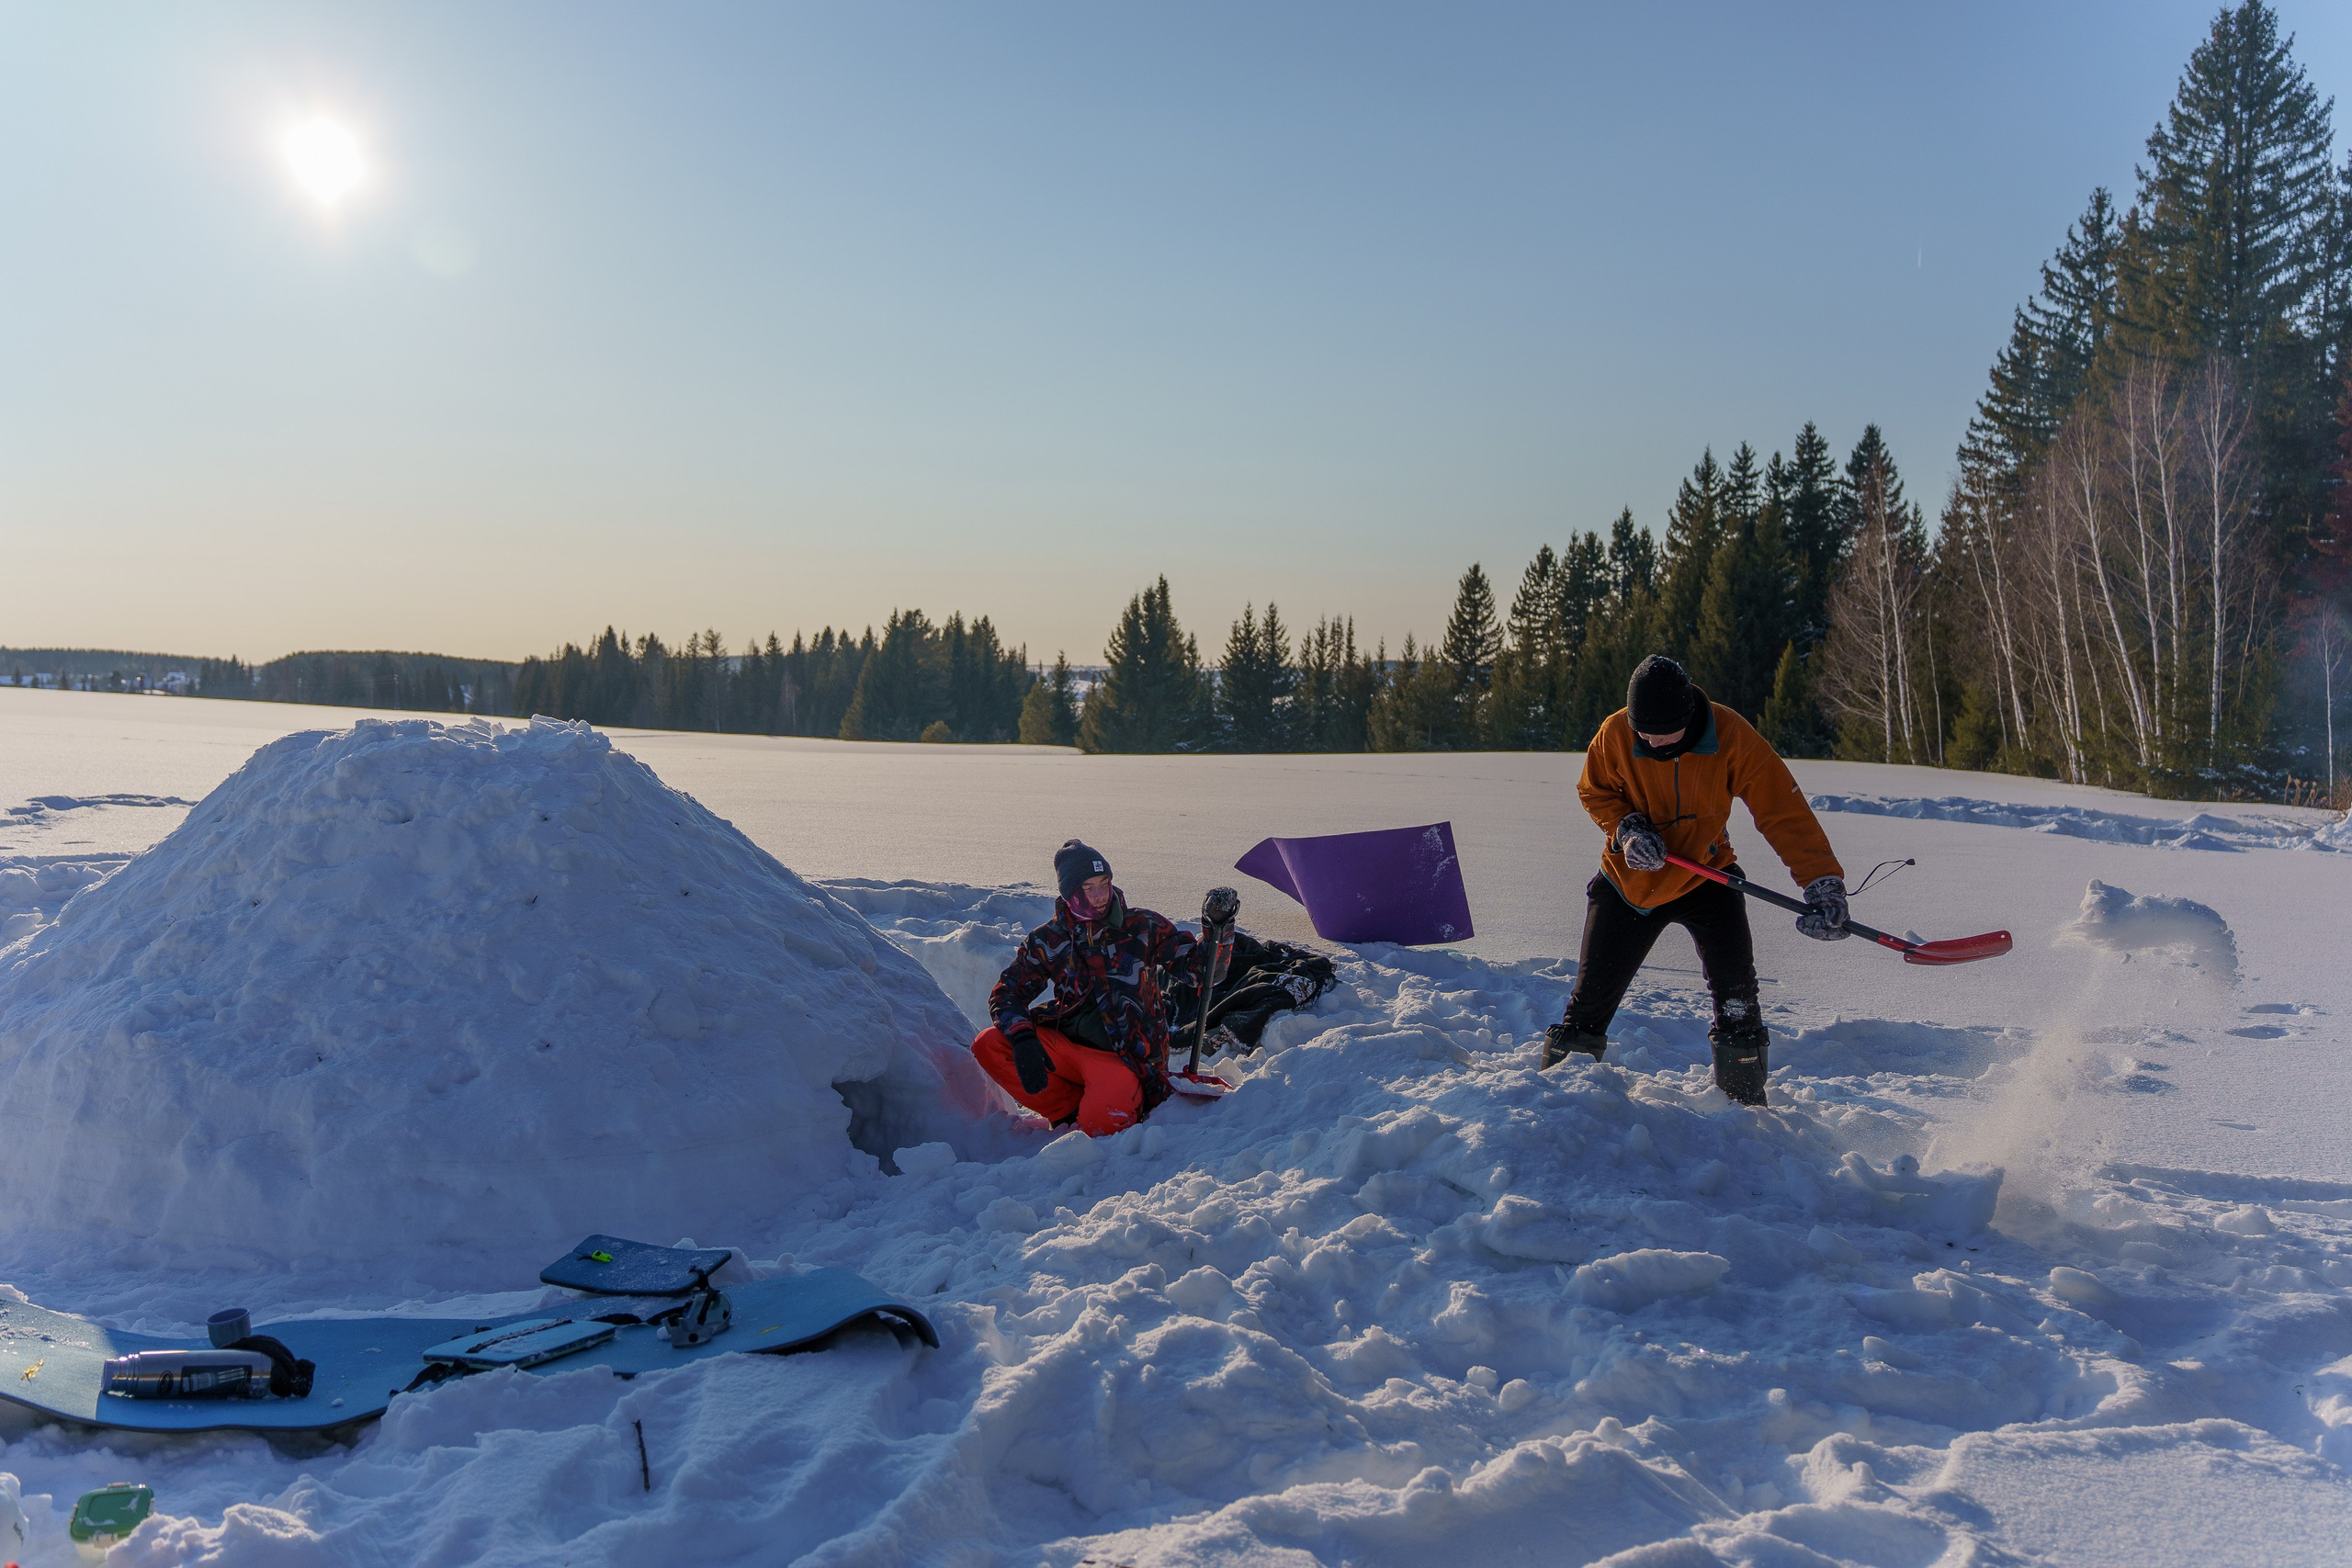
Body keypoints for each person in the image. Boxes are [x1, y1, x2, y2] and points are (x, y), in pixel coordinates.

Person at [1544, 655, 1849, 1106]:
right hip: (1629, 884)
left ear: (1688, 719)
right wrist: (1626, 828)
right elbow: (1595, 790)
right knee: (1588, 1005)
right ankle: (1558, 1106)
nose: (1652, 741)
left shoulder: (1731, 735)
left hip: (1708, 877)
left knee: (1738, 1000)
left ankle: (1745, 1110)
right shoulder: (1614, 733)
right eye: (1644, 733)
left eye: (1664, 734)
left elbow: (1782, 811)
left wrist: (1821, 881)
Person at [973, 840, 1229, 1137]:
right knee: (989, 1044)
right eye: (1088, 888)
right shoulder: (1048, 939)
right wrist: (1023, 1037)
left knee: (1101, 1127)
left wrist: (1218, 928)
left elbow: (1202, 972)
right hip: (1067, 1046)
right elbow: (1007, 991)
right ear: (1069, 894)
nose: (1099, 896)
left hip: (1124, 1059)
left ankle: (1111, 1101)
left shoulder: (1142, 926)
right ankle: (1066, 1110)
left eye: (1104, 883)